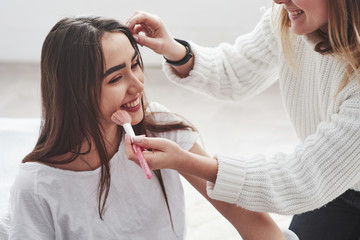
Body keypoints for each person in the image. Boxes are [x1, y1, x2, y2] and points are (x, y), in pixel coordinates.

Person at [7, 15, 298, 240]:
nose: (138, 84)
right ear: (75, 92)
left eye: (135, 65)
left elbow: (248, 217)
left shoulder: (158, 126)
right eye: (115, 78)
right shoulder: (36, 186)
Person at [124, 0, 360, 239]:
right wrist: (174, 50)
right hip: (335, 187)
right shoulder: (288, 18)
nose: (278, 1)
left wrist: (187, 162)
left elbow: (302, 177)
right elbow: (234, 72)